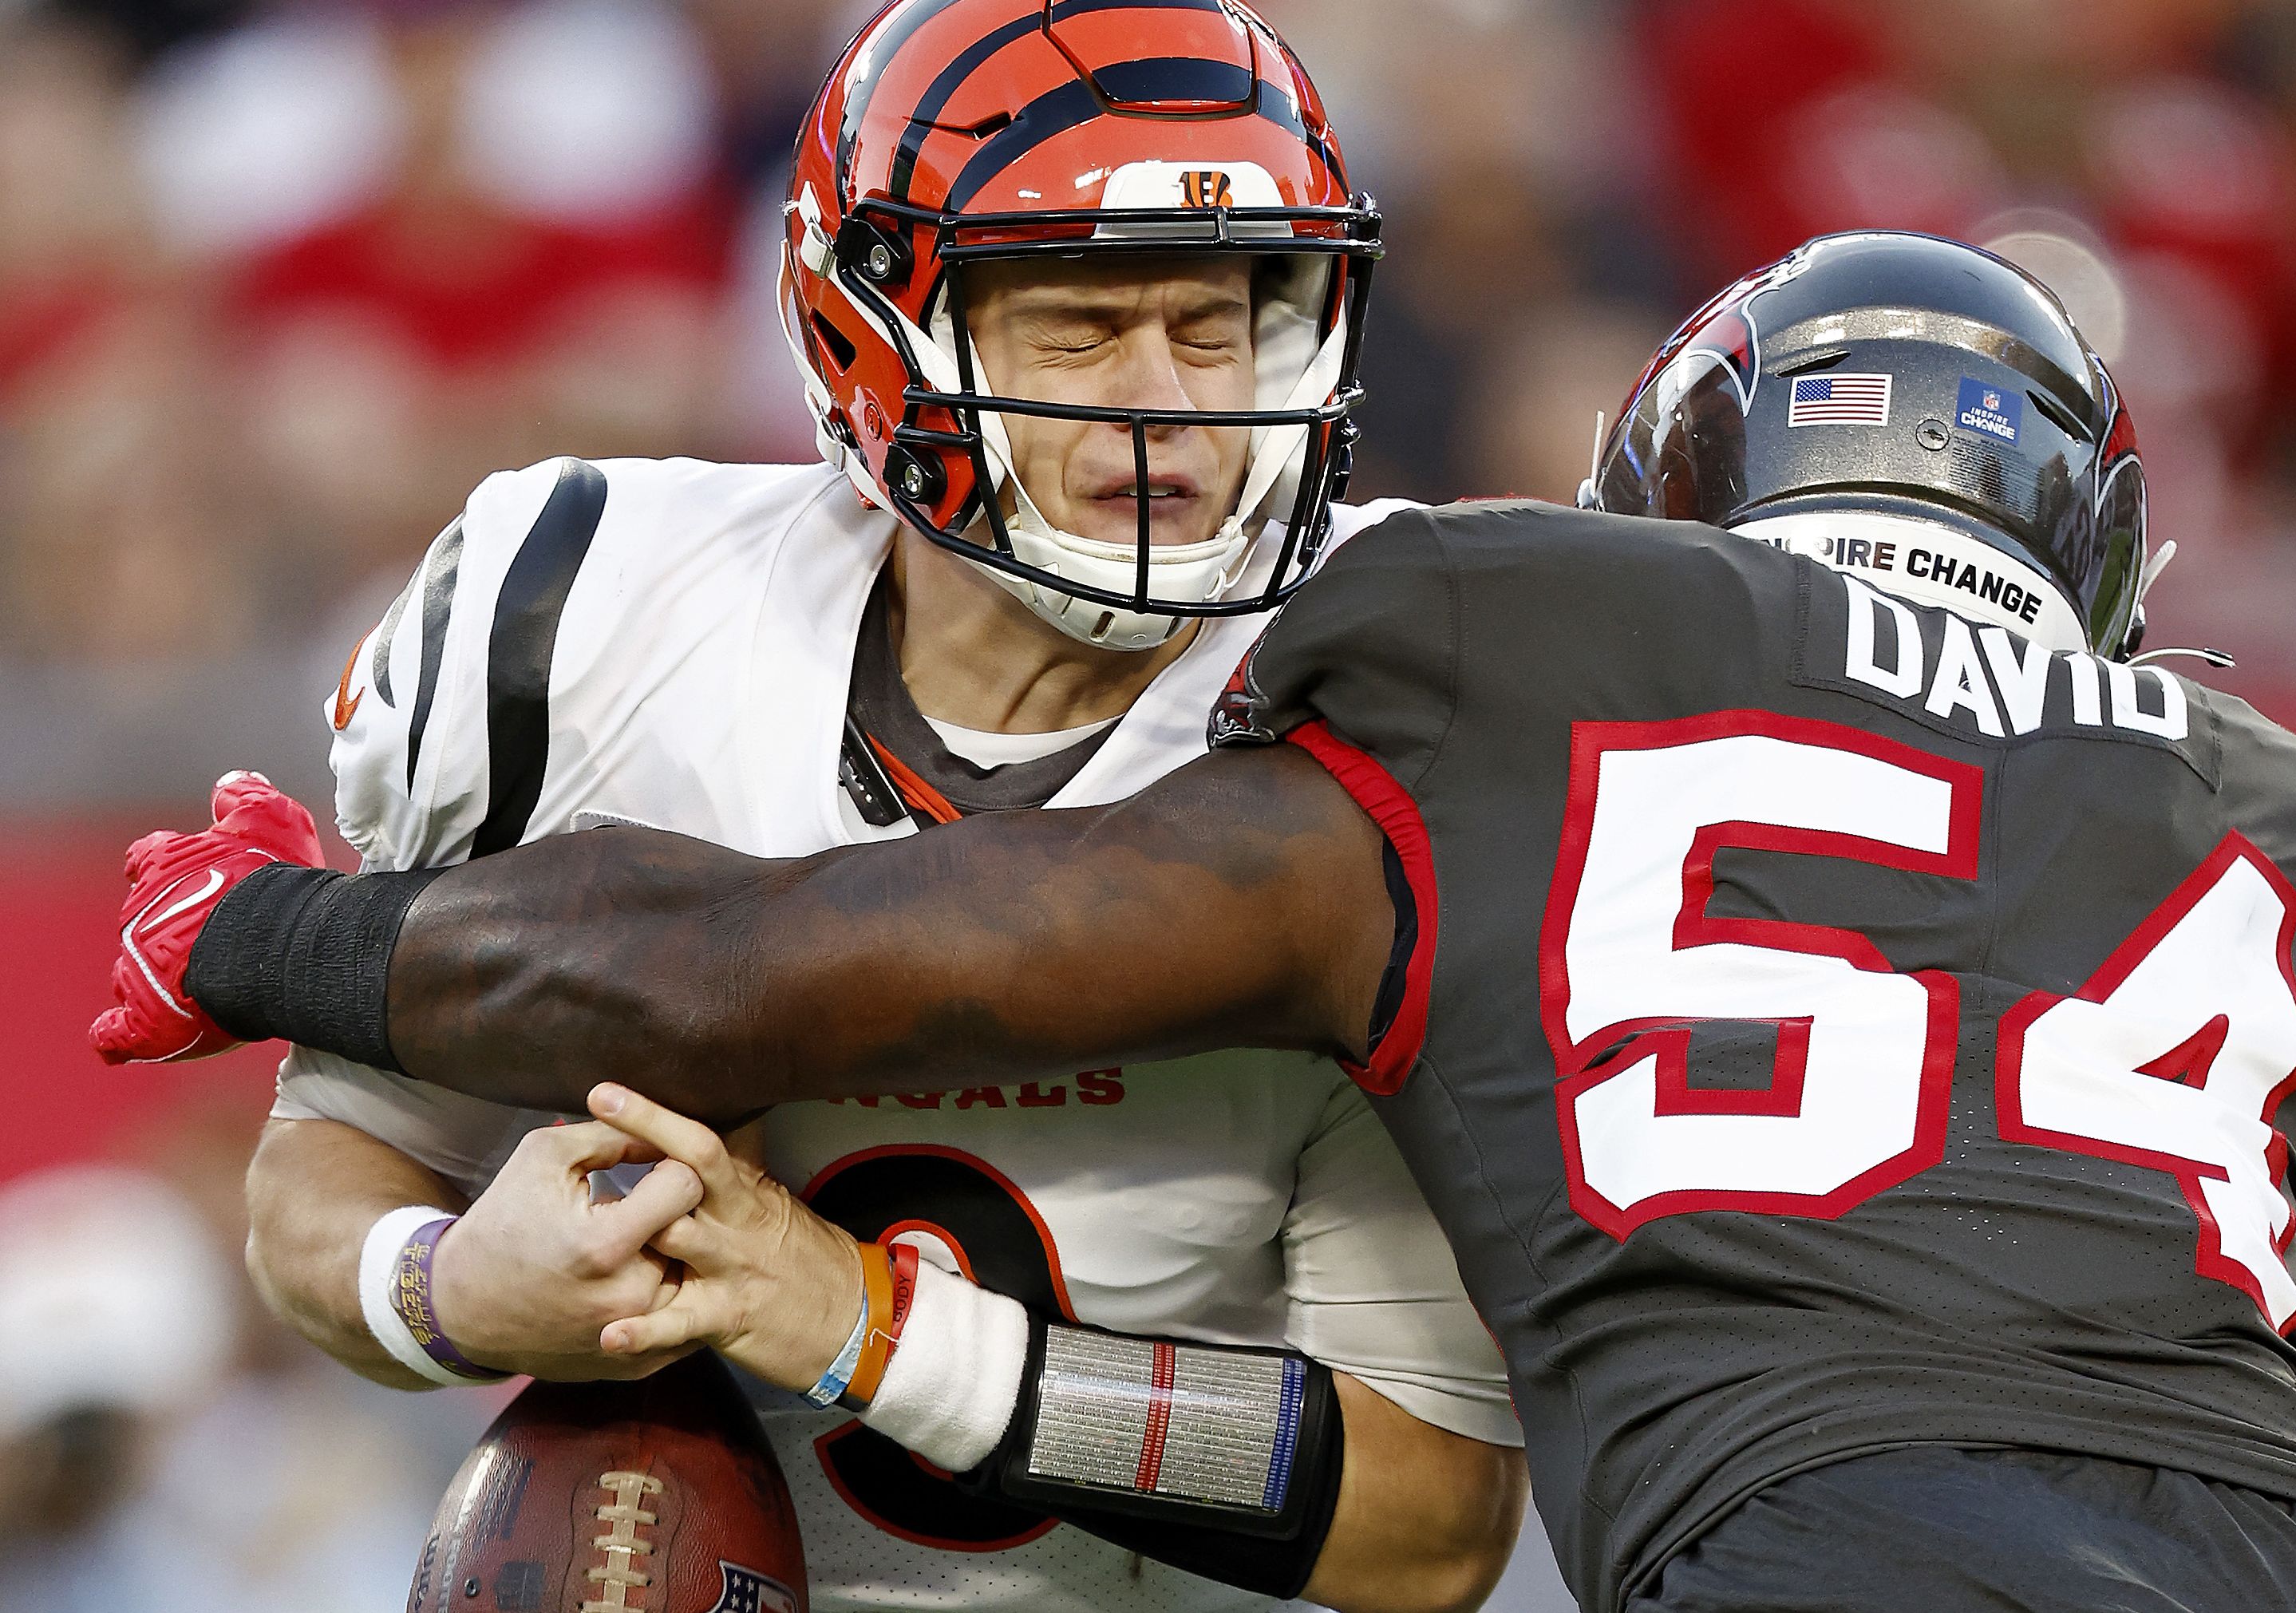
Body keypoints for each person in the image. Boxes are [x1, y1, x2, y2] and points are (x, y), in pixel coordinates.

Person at [101, 232, 2296, 1613]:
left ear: (1667, 509)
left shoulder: (1537, 675)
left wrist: (270, 935)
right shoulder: (2281, 812)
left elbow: (784, 965)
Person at [116, 4, 1529, 1611]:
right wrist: (446, 1290)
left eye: (1217, 326)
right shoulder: (594, 618)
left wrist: (866, 1330)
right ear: (872, 327)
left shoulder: (1393, 685)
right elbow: (325, 1180)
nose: (1172, 406)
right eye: (1078, 327)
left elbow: (1427, 1523)